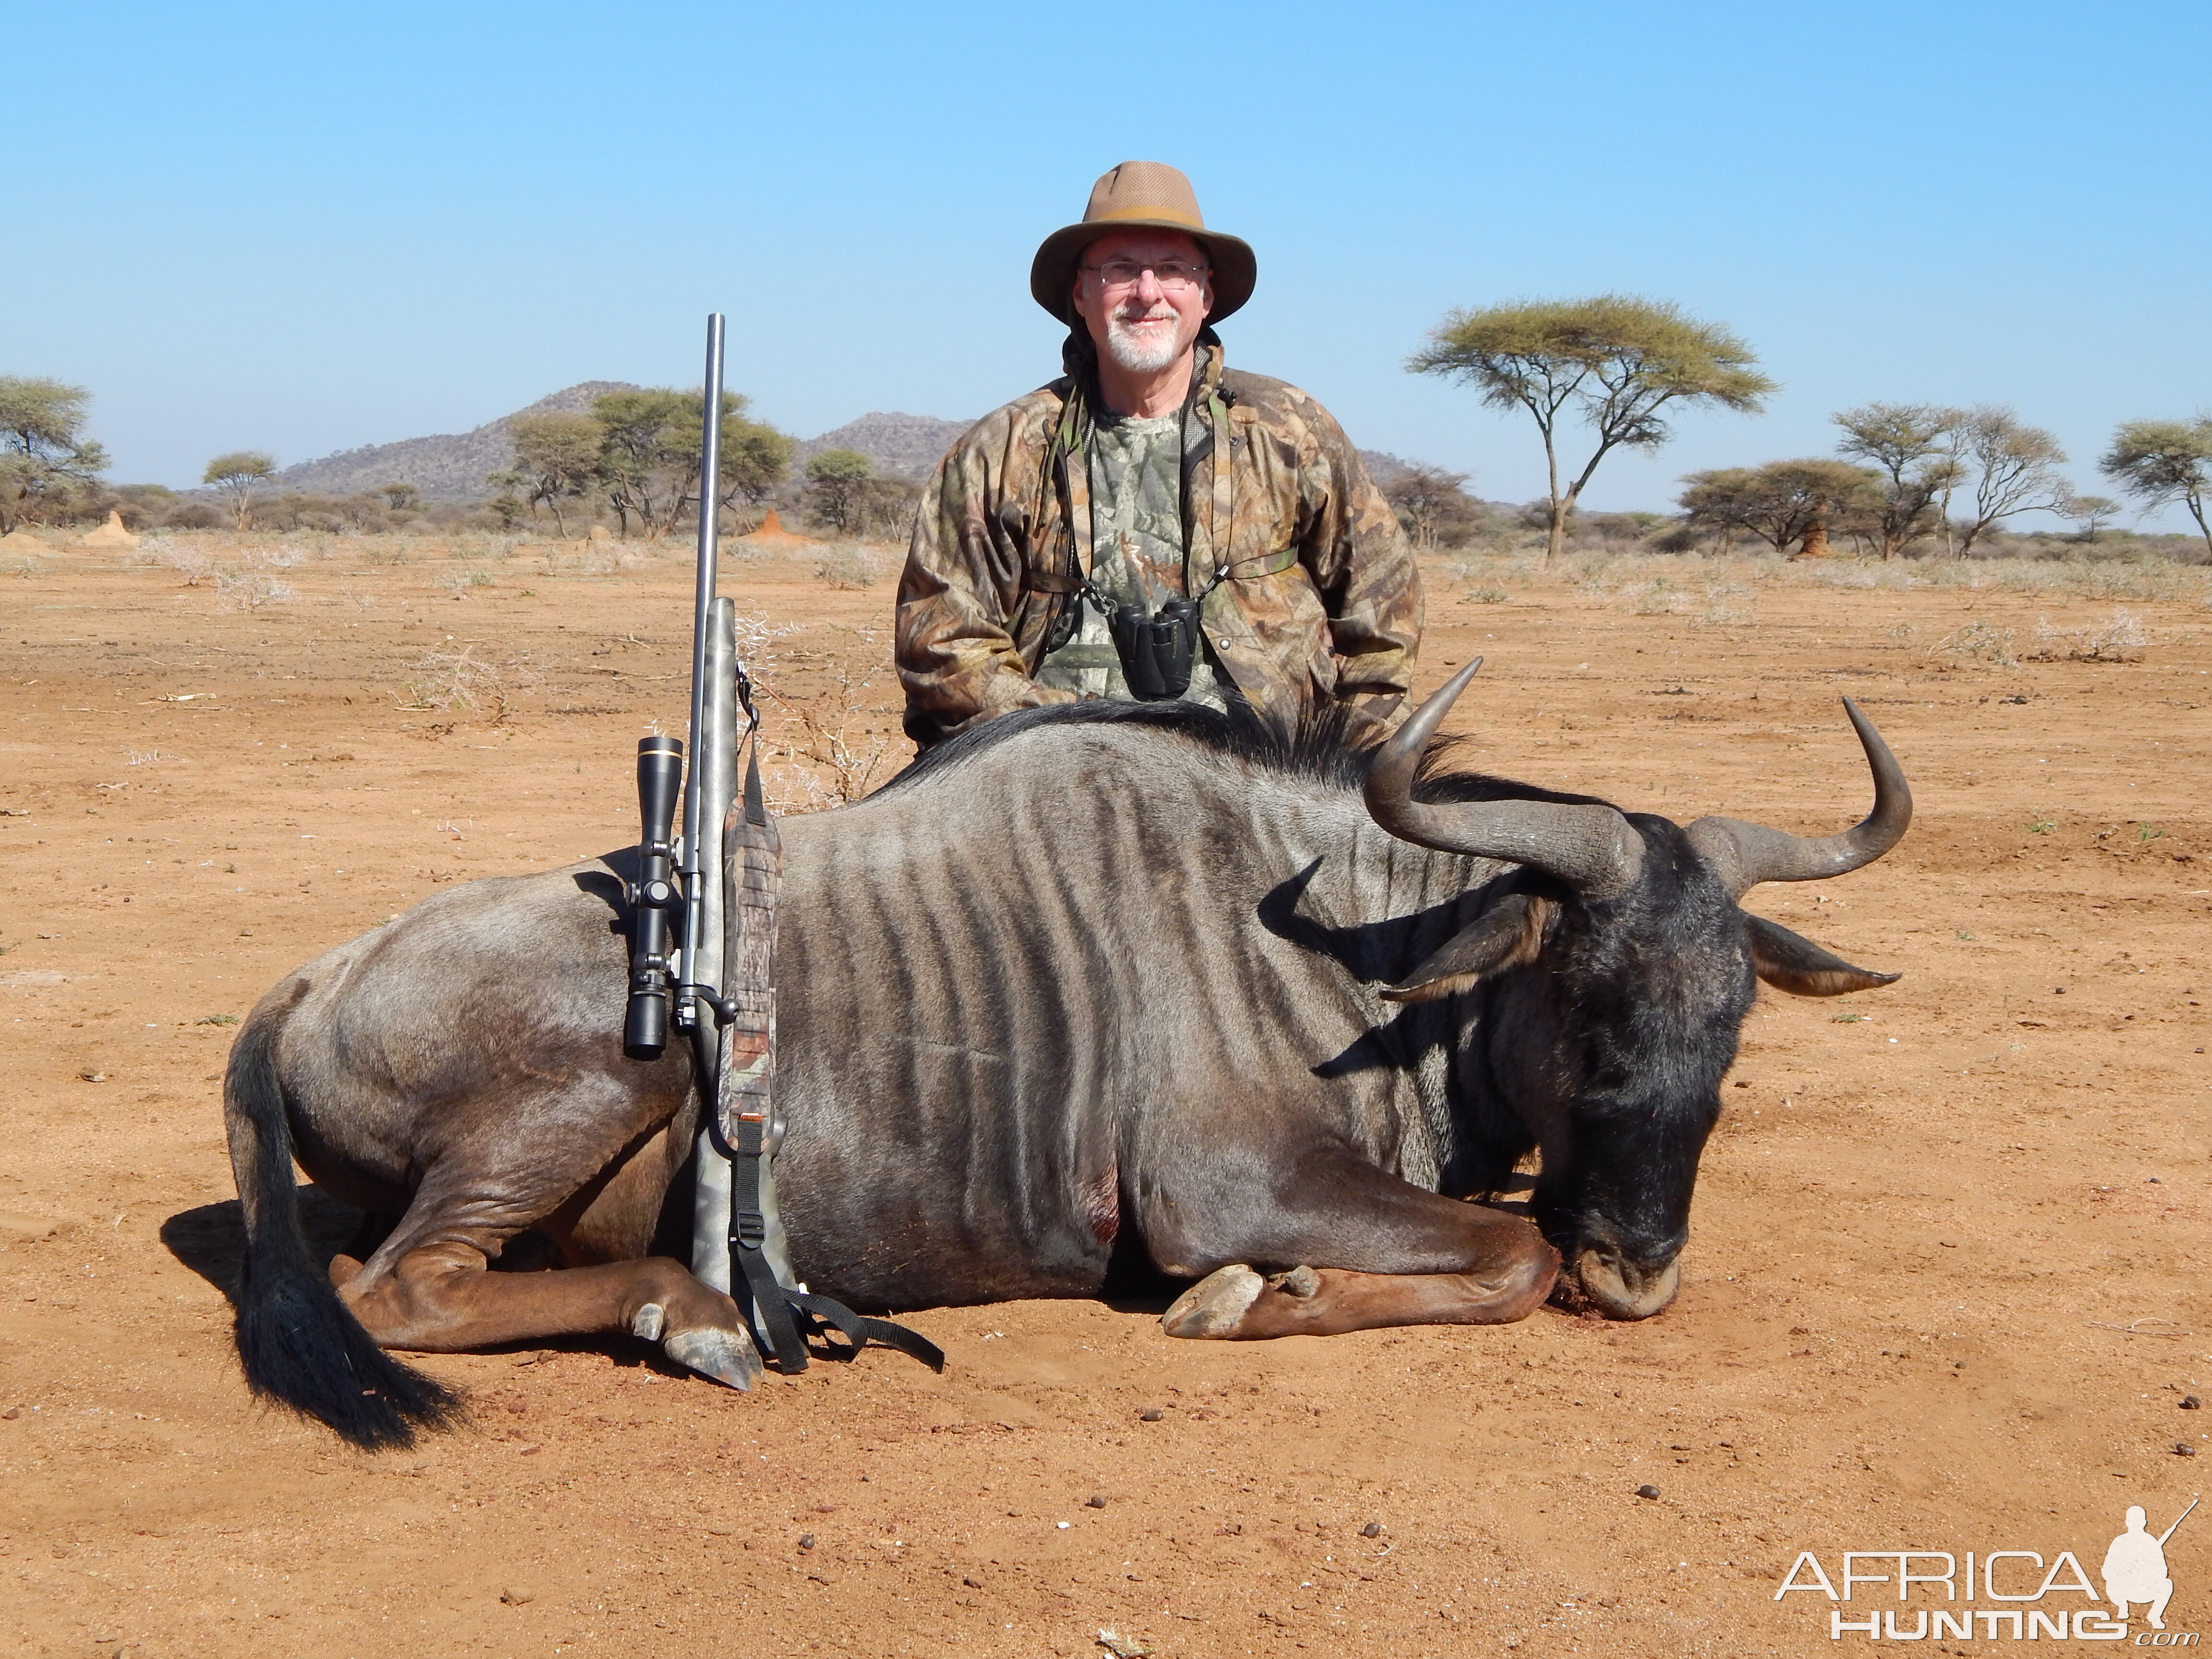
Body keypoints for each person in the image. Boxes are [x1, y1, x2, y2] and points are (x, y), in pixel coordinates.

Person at [895, 160, 1420, 749]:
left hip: (1269, 779)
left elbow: (1381, 606)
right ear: (1081, 292)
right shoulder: (1000, 449)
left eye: (1172, 270)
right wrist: (1060, 748)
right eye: (1121, 270)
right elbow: (941, 641)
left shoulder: (1292, 428)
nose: (1148, 293)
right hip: (1060, 777)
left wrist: (1347, 756)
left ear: (1205, 294)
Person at [2103, 1504, 2178, 1629]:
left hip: (2144, 1589)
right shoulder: (2119, 1542)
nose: (2135, 1524)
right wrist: (2125, 1571)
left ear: (2144, 1522)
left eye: (2138, 1521)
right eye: (2133, 1521)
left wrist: (2146, 1569)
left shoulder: (2151, 1542)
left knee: (2167, 1584)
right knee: (2111, 1582)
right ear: (2127, 1522)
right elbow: (2107, 1570)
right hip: (2123, 1589)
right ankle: (2123, 1607)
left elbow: (2163, 1572)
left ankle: (2155, 1616)